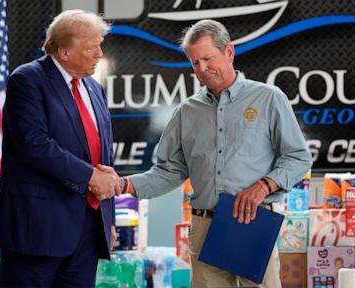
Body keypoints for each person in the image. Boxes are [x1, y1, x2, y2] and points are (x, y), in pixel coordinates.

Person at [101, 19, 312, 287]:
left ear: (229, 52)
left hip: (252, 221)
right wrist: (124, 184)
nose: (202, 69)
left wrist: (264, 185)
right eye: (195, 63)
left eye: (208, 59)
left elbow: (299, 157)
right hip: (203, 227)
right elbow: (170, 171)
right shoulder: (186, 112)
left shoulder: (269, 99)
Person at [0, 10, 120, 287]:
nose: (99, 54)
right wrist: (90, 177)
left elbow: (102, 156)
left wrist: (108, 220)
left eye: (99, 45)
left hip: (87, 230)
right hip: (36, 229)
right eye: (91, 47)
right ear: (64, 52)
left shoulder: (95, 88)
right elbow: (34, 144)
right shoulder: (27, 80)